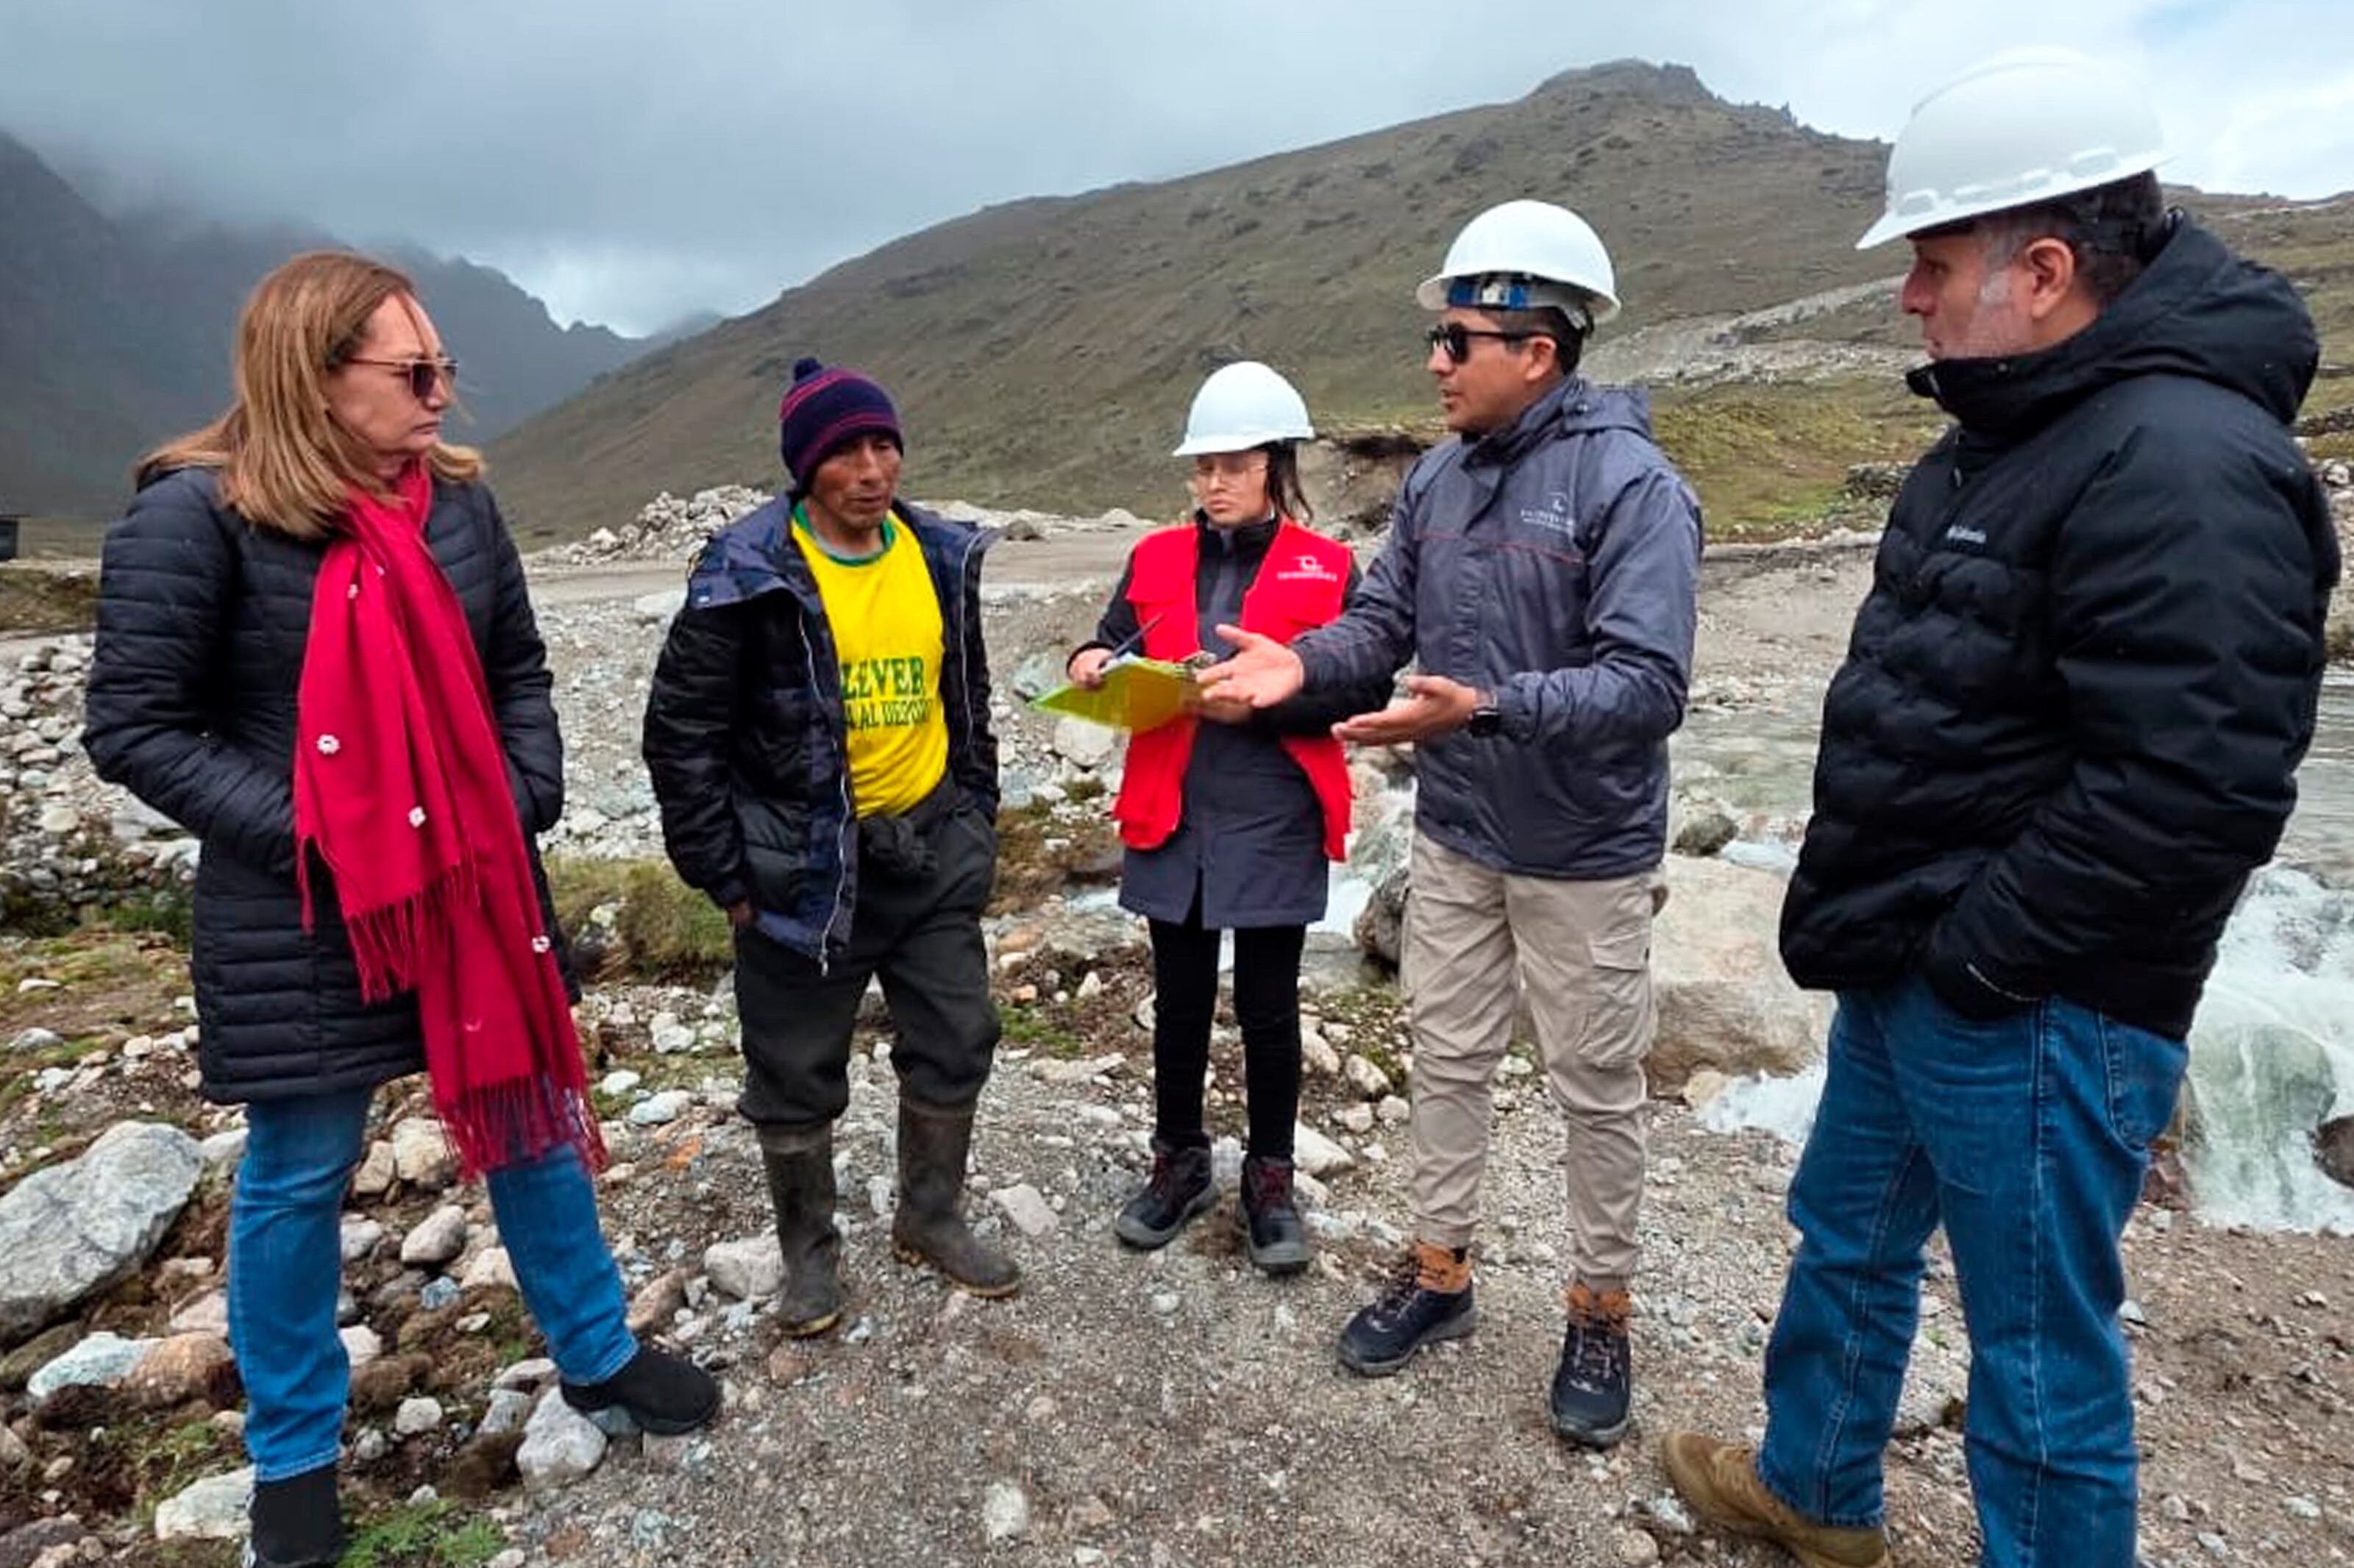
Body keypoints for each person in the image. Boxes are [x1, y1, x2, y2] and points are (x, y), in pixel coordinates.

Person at [1658, 50, 2339, 1568]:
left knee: (2035, 1354)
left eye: (1930, 260)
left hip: (2035, 994)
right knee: (1848, 1238)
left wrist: (1980, 952)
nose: (1908, 296)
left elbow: (2197, 784)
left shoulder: (2184, 460)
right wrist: (1914, 937)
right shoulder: (2018, 427)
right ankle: (1816, 1493)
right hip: (1922, 954)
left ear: (2040, 270)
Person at [80, 251, 718, 1568]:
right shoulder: (195, 518)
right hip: (309, 910)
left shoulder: (458, 508)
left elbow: (517, 667)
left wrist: (526, 787)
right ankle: (294, 1458)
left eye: (445, 370)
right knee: (300, 1170)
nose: (440, 396)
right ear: (314, 376)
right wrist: (312, 837)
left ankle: (597, 1351)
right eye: (414, 372)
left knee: (528, 1120)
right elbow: (136, 726)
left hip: (475, 881)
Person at [1203, 200, 1702, 1444]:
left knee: (1596, 1085)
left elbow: (1649, 687)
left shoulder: (1634, 487)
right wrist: (1305, 666)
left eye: (1457, 339)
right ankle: (1439, 1273)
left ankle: (1599, 1309)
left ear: (1538, 349)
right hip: (1459, 834)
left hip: (1585, 853)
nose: (1434, 361)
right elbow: (1383, 626)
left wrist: (1485, 709)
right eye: (1437, 337)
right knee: (1448, 1056)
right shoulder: (1438, 477)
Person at [643, 357, 1010, 1340]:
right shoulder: (747, 572)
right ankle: (809, 1251)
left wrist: (974, 813)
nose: (872, 468)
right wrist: (724, 875)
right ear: (806, 464)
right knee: (794, 1067)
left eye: (884, 444)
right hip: (801, 869)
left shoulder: (935, 555)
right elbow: (681, 736)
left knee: (957, 1037)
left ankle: (929, 1216)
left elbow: (964, 695)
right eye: (847, 450)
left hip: (929, 848)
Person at [1067, 361, 1387, 1272]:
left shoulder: (1328, 566)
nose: (1213, 482)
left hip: (1272, 811)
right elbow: (1112, 636)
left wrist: (1264, 709)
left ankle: (1269, 1180)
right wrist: (1090, 660)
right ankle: (1179, 1163)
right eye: (1202, 466)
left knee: (1267, 1005)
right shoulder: (1153, 557)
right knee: (1178, 1000)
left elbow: (1362, 683)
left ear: (1275, 465)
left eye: (1233, 465)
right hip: (1170, 807)